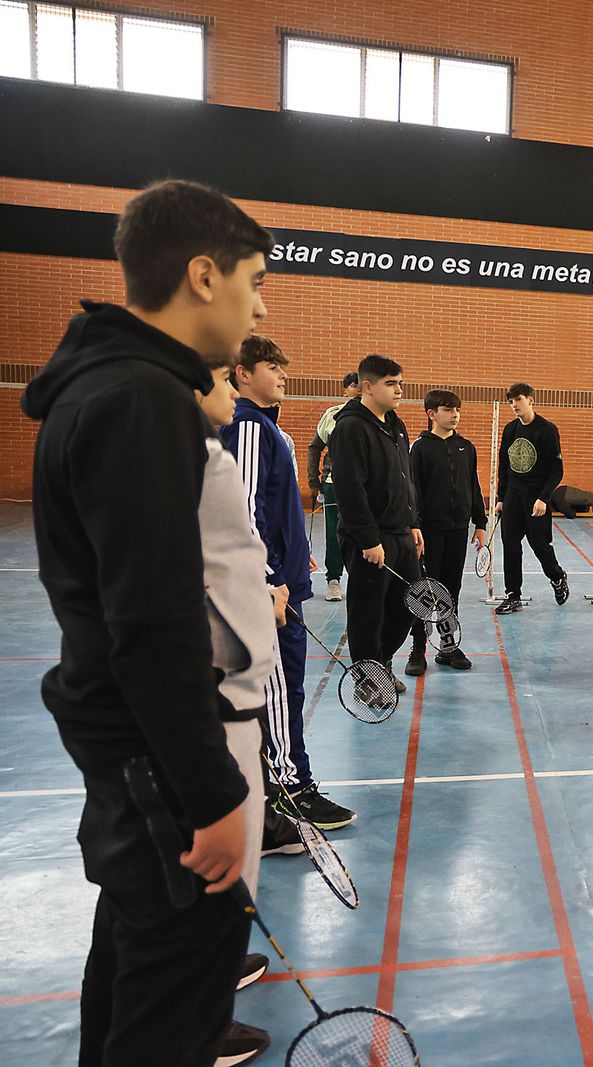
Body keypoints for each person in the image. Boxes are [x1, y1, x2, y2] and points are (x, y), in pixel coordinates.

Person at [24, 178, 267, 1065]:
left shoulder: (119, 388)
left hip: (134, 762)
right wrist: (211, 796)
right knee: (170, 1017)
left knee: (131, 985)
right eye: (253, 279)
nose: (258, 303)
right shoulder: (137, 403)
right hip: (162, 770)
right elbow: (153, 623)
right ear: (203, 275)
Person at [193, 351, 291, 1063]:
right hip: (209, 701)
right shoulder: (177, 444)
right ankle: (197, 1026)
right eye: (226, 378)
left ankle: (210, 982)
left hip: (221, 696)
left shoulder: (192, 443)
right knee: (206, 866)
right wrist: (272, 583)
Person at [221, 336, 355, 834]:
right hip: (271, 592)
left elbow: (275, 514)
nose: (282, 374)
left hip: (287, 582)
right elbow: (244, 509)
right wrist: (268, 581)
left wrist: (299, 556)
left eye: (283, 366)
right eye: (271, 367)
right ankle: (291, 789)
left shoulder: (271, 430)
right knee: (280, 692)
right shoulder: (250, 429)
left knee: (286, 690)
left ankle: (282, 784)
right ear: (242, 374)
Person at [332, 354, 424, 681]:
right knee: (367, 614)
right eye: (391, 384)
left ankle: (379, 663)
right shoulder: (350, 427)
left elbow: (404, 477)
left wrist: (412, 522)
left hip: (400, 533)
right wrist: (368, 539)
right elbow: (349, 488)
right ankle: (367, 679)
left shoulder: (395, 424)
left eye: (400, 383)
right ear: (367, 387)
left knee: (409, 607)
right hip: (369, 539)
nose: (399, 390)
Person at [406, 389, 489, 674]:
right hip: (429, 531)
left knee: (452, 589)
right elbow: (413, 492)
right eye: (447, 409)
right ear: (431, 414)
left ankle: (448, 645)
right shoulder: (420, 448)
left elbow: (473, 486)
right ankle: (418, 649)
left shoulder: (466, 447)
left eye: (457, 409)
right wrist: (415, 527)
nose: (454, 414)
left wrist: (480, 523)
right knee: (425, 591)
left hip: (457, 530)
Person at [494, 383, 569, 613]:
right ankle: (513, 594)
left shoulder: (546, 430)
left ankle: (557, 577)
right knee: (511, 546)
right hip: (513, 497)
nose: (514, 405)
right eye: (511, 401)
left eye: (518, 399)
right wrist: (501, 497)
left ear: (530, 400)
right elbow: (504, 466)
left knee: (539, 545)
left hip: (536, 498)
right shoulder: (510, 430)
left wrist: (544, 498)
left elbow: (556, 470)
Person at [308, 371, 360, 601]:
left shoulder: (379, 414)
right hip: (335, 485)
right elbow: (314, 447)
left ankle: (363, 580)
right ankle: (333, 580)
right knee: (334, 533)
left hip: (367, 487)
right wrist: (314, 481)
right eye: (353, 385)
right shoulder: (333, 415)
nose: (358, 389)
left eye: (362, 385)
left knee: (366, 533)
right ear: (345, 390)